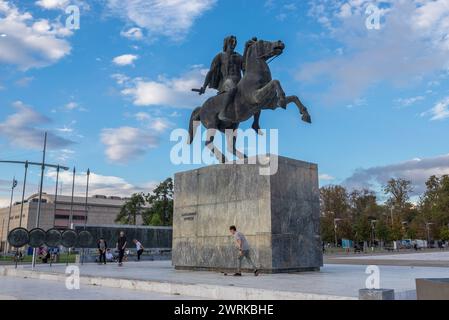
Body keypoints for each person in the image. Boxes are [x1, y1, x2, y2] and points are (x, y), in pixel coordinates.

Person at [199, 36, 261, 132]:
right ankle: (223, 112)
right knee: (232, 88)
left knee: (255, 97)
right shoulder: (220, 56)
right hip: (226, 82)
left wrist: (248, 48)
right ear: (227, 43)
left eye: (235, 42)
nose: (234, 43)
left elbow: (245, 65)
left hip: (239, 82)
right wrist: (204, 86)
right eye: (232, 41)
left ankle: (256, 123)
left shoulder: (238, 56)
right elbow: (211, 71)